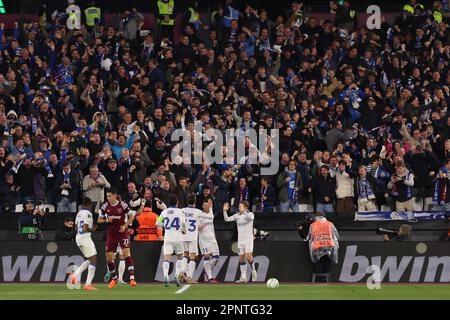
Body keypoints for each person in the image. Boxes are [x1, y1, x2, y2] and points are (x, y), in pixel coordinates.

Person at [98, 188, 137, 288]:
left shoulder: (122, 205)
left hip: (122, 233)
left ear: (115, 195)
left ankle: (132, 278)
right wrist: (106, 220)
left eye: (110, 196)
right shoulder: (105, 206)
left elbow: (131, 216)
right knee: (109, 259)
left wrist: (125, 225)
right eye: (107, 196)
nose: (108, 198)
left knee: (126, 254)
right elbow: (99, 220)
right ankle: (114, 279)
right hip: (111, 234)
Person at [180, 194, 213, 284]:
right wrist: (210, 208)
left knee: (185, 255)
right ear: (194, 202)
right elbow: (210, 217)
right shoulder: (197, 212)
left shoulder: (182, 211)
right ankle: (189, 277)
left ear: (187, 201)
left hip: (183, 236)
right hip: (192, 237)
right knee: (192, 257)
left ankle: (182, 272)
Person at [223, 201, 257, 283]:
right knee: (241, 259)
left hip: (248, 240)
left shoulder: (250, 214)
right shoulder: (237, 216)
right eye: (239, 206)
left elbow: (251, 218)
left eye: (241, 206)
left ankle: (253, 270)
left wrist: (244, 212)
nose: (239, 208)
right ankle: (243, 277)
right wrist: (224, 211)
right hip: (240, 241)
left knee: (248, 257)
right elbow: (227, 219)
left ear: (245, 208)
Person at [156, 194, 186, 287]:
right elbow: (183, 223)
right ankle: (176, 276)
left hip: (168, 237)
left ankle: (166, 276)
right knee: (180, 257)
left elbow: (157, 223)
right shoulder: (180, 211)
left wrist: (167, 226)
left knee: (166, 258)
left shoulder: (165, 211)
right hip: (178, 237)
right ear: (177, 202)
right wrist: (184, 230)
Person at [69, 197, 98, 290]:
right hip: (85, 237)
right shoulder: (88, 214)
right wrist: (92, 229)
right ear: (89, 205)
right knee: (94, 259)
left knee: (90, 258)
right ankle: (87, 284)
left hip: (78, 237)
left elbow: (76, 227)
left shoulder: (79, 213)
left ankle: (75, 275)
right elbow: (85, 228)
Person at [306, 212, 339, 282]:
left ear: (318, 217)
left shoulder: (313, 225)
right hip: (329, 248)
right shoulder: (330, 224)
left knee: (318, 266)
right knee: (327, 266)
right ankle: (326, 281)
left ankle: (319, 282)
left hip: (317, 248)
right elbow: (336, 236)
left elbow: (309, 237)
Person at [198, 197, 220, 283]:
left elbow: (211, 217)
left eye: (206, 204)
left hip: (212, 239)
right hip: (203, 240)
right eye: (203, 205)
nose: (204, 206)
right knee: (206, 256)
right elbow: (196, 227)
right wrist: (200, 226)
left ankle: (206, 269)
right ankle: (210, 277)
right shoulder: (200, 215)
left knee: (216, 258)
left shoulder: (210, 214)